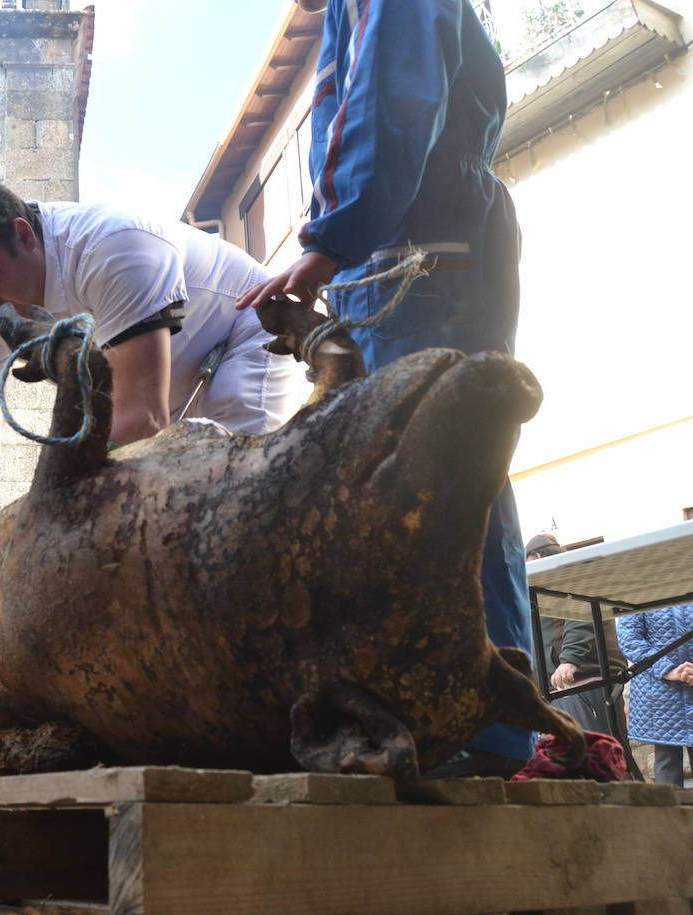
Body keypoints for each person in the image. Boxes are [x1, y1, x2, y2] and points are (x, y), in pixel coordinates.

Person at [234, 0, 533, 776]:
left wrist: (333, 238)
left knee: (423, 475)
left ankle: (468, 719)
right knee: (464, 469)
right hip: (437, 240)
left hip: (411, 249)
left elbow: (392, 97)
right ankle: (490, 718)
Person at [0, 171, 301, 527]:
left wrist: (51, 505)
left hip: (245, 328)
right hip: (160, 391)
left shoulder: (111, 246)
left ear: (23, 236)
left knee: (233, 495)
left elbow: (141, 422)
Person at [526, 534, 627, 739]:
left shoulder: (572, 577)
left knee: (596, 754)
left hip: (580, 682)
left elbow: (582, 615)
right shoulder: (551, 581)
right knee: (581, 757)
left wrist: (569, 660)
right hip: (561, 687)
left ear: (536, 557)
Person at [617, 603, 693, 787]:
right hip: (659, 691)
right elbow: (630, 638)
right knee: (667, 764)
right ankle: (668, 815)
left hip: (668, 687)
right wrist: (667, 669)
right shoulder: (641, 590)